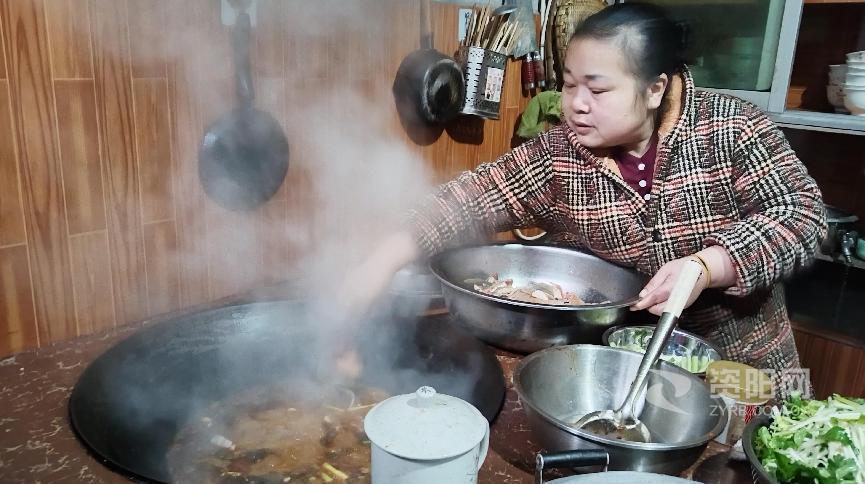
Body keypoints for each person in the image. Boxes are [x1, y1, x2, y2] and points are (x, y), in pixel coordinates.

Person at [344, 3, 826, 399]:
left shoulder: (732, 128)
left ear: (655, 88)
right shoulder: (562, 153)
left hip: (746, 377)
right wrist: (378, 263)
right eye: (569, 84)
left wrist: (709, 265)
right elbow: (469, 197)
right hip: (626, 380)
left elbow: (803, 214)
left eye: (597, 88)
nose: (575, 103)